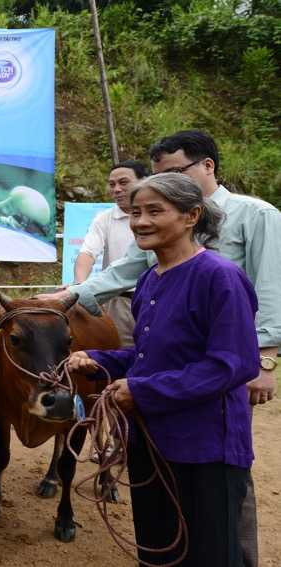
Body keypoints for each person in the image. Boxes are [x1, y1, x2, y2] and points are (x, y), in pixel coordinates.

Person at [41, 130, 280, 566]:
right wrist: (100, 360)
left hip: (205, 443)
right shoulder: (152, 277)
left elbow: (231, 364)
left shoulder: (219, 275)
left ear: (191, 216)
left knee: (209, 552)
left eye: (155, 211)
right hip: (153, 438)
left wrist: (144, 391)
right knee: (157, 545)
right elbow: (150, 355)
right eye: (135, 213)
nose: (140, 222)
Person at [73, 160, 149, 346]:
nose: (116, 189)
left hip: (157, 300)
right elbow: (87, 253)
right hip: (120, 302)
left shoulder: (163, 215)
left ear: (145, 181)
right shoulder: (104, 219)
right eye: (112, 184)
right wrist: (79, 286)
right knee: (120, 354)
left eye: (124, 183)